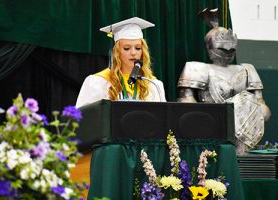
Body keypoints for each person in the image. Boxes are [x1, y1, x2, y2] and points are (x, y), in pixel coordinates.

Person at [177, 8, 271, 155]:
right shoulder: (196, 68)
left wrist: (257, 115)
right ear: (209, 47)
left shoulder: (247, 69)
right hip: (211, 131)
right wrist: (206, 121)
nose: (227, 51)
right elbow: (186, 103)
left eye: (231, 49)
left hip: (244, 135)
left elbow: (261, 105)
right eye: (222, 48)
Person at [75, 17, 166, 108]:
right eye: (126, 48)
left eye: (138, 48)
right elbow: (83, 116)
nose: (133, 53)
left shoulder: (153, 84)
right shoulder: (99, 82)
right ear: (117, 52)